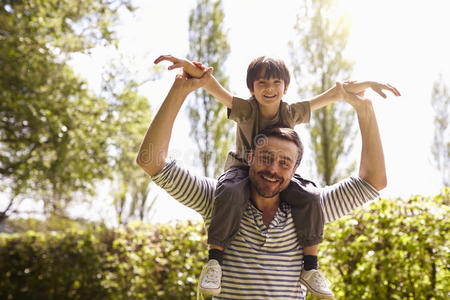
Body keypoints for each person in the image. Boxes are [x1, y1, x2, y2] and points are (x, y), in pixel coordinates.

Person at [136, 67, 398, 299]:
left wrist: (365, 110)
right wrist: (180, 89)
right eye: (265, 157)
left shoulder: (310, 207)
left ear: (295, 170)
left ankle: (312, 269)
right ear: (249, 157)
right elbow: (153, 163)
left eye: (284, 162)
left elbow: (373, 181)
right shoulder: (217, 199)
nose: (273, 168)